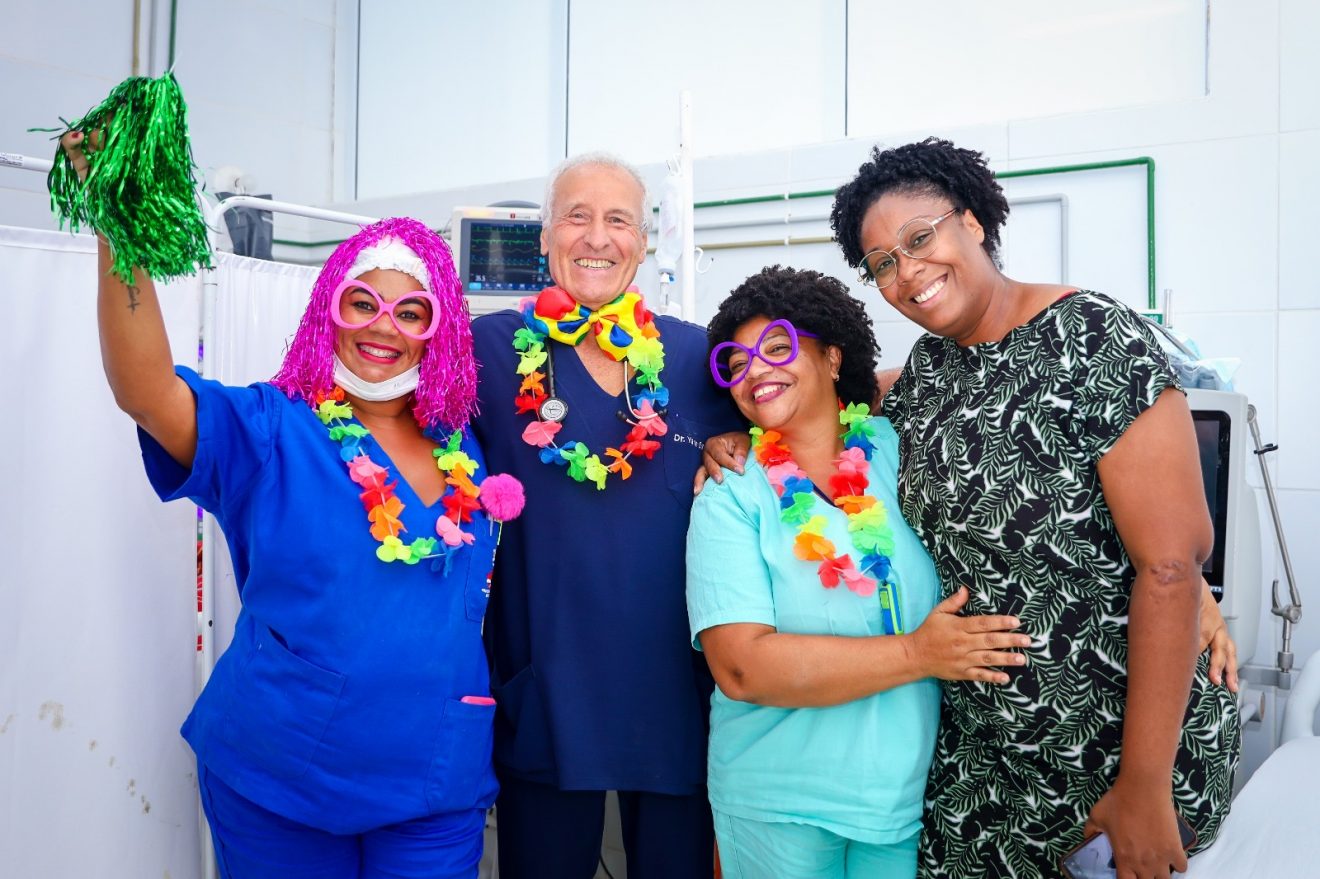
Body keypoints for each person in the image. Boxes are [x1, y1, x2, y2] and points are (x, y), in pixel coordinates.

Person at [703, 138, 1240, 879]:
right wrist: (735, 433)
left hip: (1109, 758)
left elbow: (1174, 562)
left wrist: (1144, 783)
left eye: (919, 238)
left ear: (975, 222)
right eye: (883, 262)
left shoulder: (1093, 337)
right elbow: (822, 396)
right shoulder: (930, 374)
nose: (907, 271)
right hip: (979, 778)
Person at [64, 129, 512, 878]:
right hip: (283, 781)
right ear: (327, 309)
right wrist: (118, 223)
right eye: (362, 301)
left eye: (411, 313)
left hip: (435, 784)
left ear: (437, 334)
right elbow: (145, 391)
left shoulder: (466, 440)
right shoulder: (271, 429)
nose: (383, 326)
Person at [686, 266, 1033, 879]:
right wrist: (919, 654)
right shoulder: (732, 491)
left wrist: (1189, 583)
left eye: (777, 348)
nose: (756, 371)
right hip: (778, 801)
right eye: (735, 363)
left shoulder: (905, 447)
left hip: (901, 797)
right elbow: (741, 667)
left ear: (833, 355)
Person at [468, 153, 744, 878]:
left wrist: (737, 438)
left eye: (617, 218)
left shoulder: (693, 354)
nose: (597, 236)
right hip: (548, 687)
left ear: (643, 241)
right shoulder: (489, 348)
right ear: (548, 236)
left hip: (672, 696)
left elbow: (801, 402)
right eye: (577, 216)